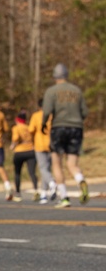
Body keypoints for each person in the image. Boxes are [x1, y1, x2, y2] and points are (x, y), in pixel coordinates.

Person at [42, 63, 89, 207]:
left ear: (55, 76)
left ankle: (64, 197)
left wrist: (43, 124)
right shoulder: (77, 90)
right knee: (72, 163)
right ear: (67, 75)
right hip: (76, 128)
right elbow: (85, 112)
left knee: (57, 162)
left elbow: (47, 110)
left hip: (59, 128)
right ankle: (80, 179)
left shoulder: (51, 91)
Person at [28, 107, 55, 204]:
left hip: (39, 145)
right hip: (51, 144)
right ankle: (43, 194)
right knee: (46, 169)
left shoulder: (36, 116)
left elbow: (30, 129)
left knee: (43, 169)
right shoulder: (52, 115)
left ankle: (52, 183)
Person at [9, 110, 38, 202]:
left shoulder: (16, 128)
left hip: (20, 151)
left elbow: (16, 138)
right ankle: (36, 190)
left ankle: (18, 193)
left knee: (17, 173)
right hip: (31, 151)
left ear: (17, 120)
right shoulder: (29, 127)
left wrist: (12, 145)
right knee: (32, 172)